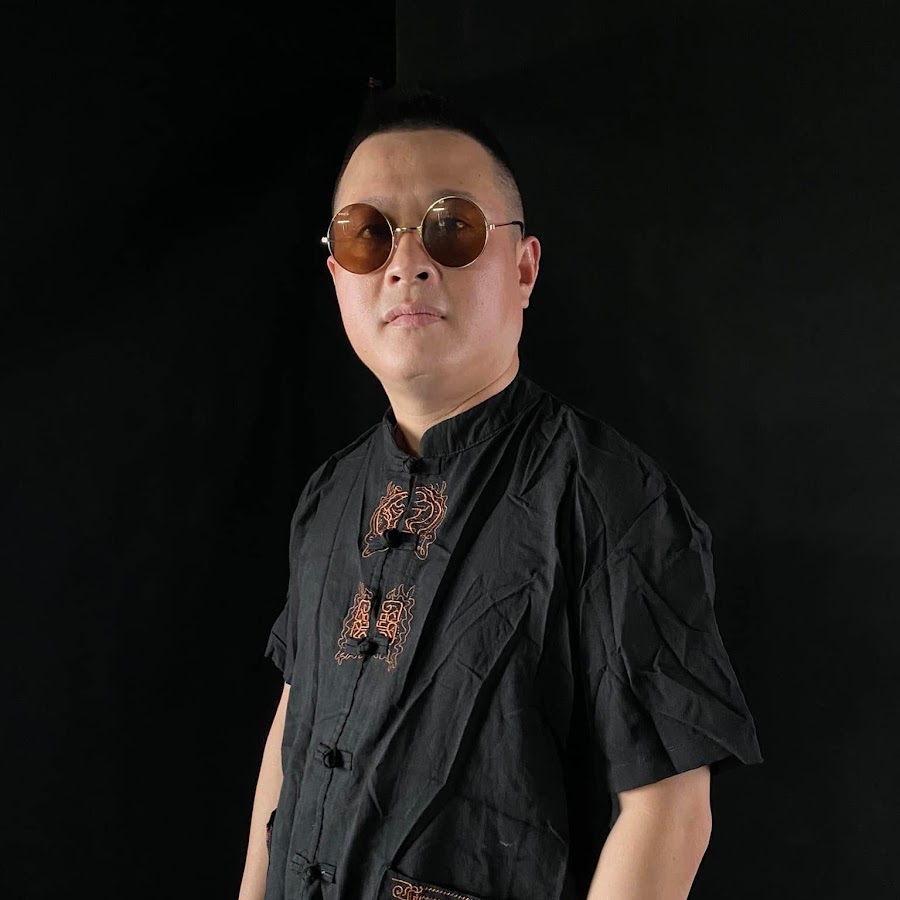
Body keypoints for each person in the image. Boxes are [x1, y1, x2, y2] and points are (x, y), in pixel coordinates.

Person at [238, 86, 763, 900]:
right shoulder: (328, 496)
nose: (406, 264)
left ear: (523, 268)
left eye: (451, 227)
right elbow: (293, 729)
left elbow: (669, 808)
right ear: (337, 273)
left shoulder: (607, 496)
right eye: (368, 234)